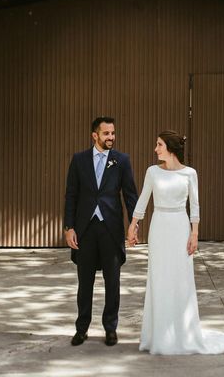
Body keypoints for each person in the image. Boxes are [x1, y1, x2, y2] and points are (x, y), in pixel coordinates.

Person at [126, 130, 224, 355]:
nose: (155, 149)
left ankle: (182, 333)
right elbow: (143, 200)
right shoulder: (152, 172)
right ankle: (158, 336)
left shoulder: (190, 174)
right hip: (159, 227)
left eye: (159, 145)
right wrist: (133, 224)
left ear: (170, 148)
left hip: (180, 227)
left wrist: (194, 233)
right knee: (159, 279)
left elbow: (195, 206)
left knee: (180, 280)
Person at [64, 116, 138, 347]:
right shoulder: (79, 160)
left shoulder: (121, 160)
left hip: (111, 229)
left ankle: (110, 328)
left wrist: (133, 225)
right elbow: (71, 196)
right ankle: (82, 328)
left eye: (113, 133)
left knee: (112, 281)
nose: (111, 137)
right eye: (106, 133)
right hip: (85, 229)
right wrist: (69, 227)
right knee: (84, 283)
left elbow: (130, 195)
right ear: (94, 135)